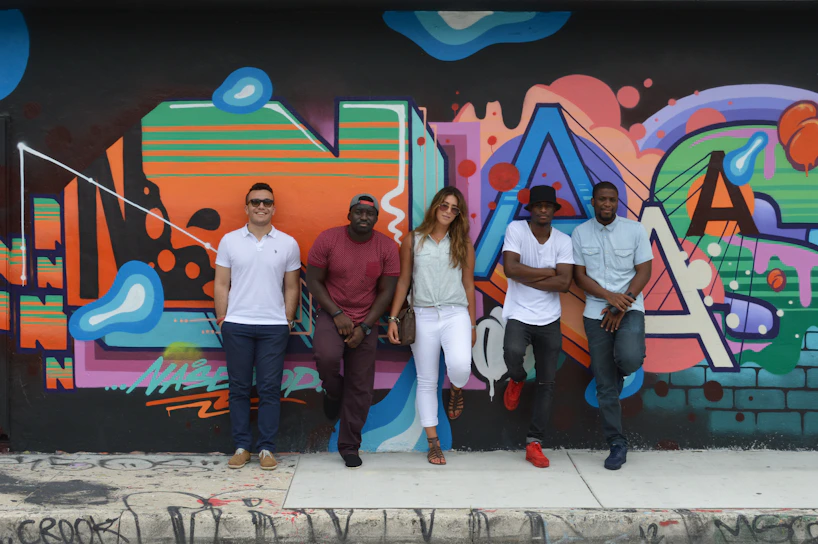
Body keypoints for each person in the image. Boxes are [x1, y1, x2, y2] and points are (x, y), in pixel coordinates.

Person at [306, 194, 399, 468]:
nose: (364, 217)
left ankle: (349, 446)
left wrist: (366, 327)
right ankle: (333, 393)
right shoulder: (328, 239)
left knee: (360, 386)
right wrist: (337, 314)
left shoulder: (386, 246)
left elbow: (387, 291)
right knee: (327, 356)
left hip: (368, 319)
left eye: (370, 214)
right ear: (349, 214)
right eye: (359, 212)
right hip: (332, 313)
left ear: (376, 219)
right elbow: (313, 280)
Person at [214, 182, 302, 471]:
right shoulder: (229, 241)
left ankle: (266, 449)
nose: (261, 206)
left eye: (266, 202)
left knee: (268, 388)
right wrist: (223, 318)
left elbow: (292, 287)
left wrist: (287, 319)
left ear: (274, 207)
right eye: (255, 202)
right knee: (239, 388)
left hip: (273, 327)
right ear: (246, 207)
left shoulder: (288, 243)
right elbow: (222, 283)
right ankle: (241, 447)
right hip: (237, 325)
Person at [387, 187, 476, 466]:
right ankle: (433, 443)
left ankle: (457, 388)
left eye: (454, 208)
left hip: (455, 314)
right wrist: (392, 318)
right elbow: (403, 281)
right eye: (444, 205)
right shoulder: (413, 240)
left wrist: (472, 323)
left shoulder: (462, 243)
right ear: (435, 206)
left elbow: (469, 284)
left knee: (460, 366)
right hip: (422, 316)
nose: (448, 211)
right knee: (426, 381)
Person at [571, 181, 652, 470]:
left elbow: (645, 270)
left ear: (617, 202)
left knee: (630, 359)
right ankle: (617, 444)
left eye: (612, 199)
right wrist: (609, 299)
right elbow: (579, 277)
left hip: (630, 310)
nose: (607, 204)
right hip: (596, 313)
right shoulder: (580, 233)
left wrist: (623, 303)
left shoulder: (634, 230)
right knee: (605, 385)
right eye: (602, 199)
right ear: (593, 202)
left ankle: (619, 371)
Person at [501, 185, 574, 468]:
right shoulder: (516, 230)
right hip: (519, 313)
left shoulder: (563, 241)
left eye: (548, 206)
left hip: (549, 319)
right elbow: (510, 269)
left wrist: (525, 275)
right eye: (538, 205)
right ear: (530, 209)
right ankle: (517, 378)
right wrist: (547, 273)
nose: (543, 210)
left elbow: (564, 283)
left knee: (547, 383)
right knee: (512, 353)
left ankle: (534, 443)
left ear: (554, 210)